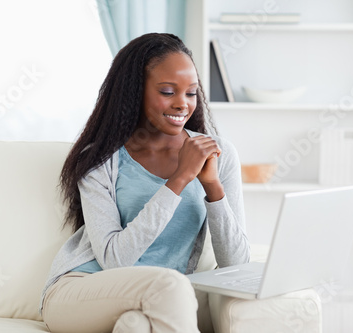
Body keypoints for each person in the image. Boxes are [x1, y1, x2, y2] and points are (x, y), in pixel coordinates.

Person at [40, 33, 249, 333]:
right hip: (82, 291)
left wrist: (213, 188)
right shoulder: (101, 160)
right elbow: (116, 260)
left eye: (191, 93)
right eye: (167, 91)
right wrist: (179, 180)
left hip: (157, 300)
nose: (182, 104)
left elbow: (236, 266)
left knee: (135, 327)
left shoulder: (219, 153)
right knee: (170, 285)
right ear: (134, 92)